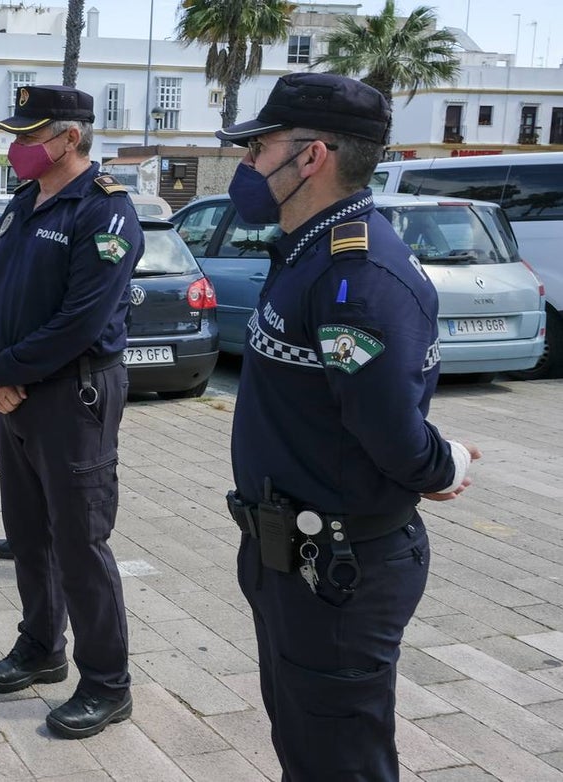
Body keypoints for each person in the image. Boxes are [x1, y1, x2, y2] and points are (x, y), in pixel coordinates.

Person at [219, 72, 482, 779]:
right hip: (290, 554)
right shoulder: (308, 251)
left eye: (258, 148)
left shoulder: (355, 275)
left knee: (339, 763)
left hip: (338, 568)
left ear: (312, 157)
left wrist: (444, 465)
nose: (247, 164)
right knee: (307, 749)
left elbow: (389, 427)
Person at [0, 85, 144, 739]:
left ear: (70, 138)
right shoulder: (24, 201)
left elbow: (81, 321)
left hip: (75, 396)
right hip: (15, 394)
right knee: (27, 532)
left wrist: (3, 372)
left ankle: (107, 684)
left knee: (80, 542)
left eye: (29, 134)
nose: (17, 147)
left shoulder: (104, 211)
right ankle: (42, 646)